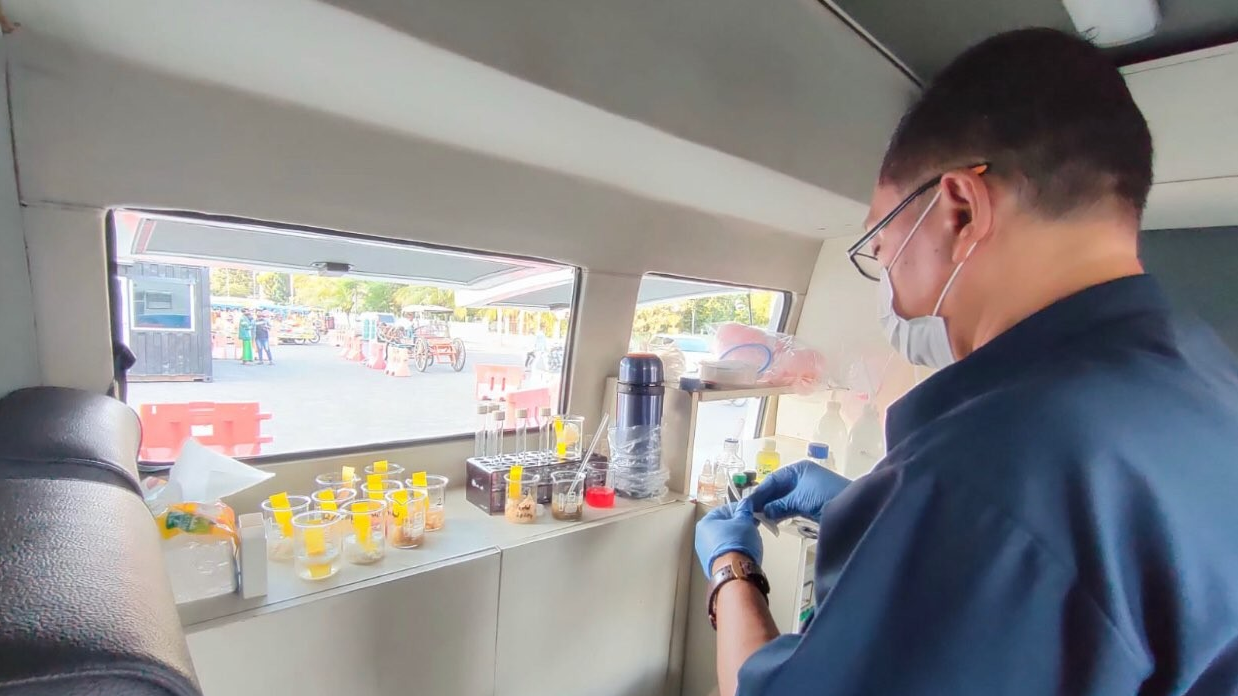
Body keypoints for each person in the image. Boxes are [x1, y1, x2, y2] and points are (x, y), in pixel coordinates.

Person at [695, 28, 1238, 696]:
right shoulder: (1209, 378)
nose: (888, 279)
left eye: (884, 240)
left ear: (957, 210)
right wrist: (875, 514)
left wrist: (732, 569)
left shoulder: (984, 471)